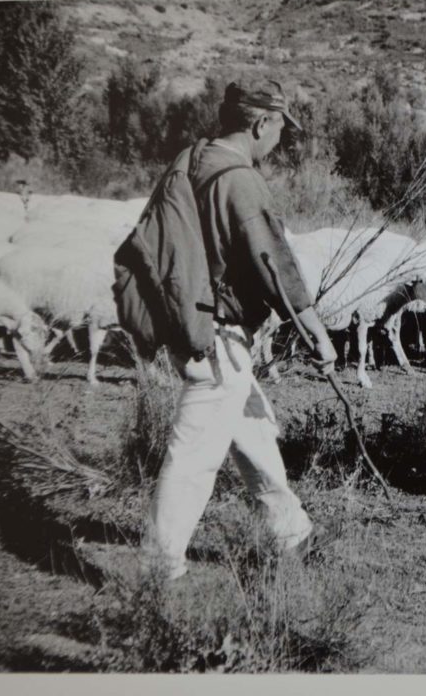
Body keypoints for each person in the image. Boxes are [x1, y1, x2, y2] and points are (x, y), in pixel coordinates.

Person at [141, 79, 339, 580]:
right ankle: (157, 569)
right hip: (219, 336)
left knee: (251, 426)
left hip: (188, 326)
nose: (279, 140)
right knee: (193, 457)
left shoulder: (191, 160)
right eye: (279, 129)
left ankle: (290, 530)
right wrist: (315, 329)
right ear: (260, 123)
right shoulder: (241, 179)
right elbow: (271, 262)